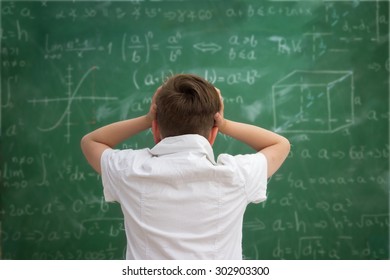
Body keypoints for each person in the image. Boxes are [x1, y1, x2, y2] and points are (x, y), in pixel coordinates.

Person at [81, 74, 290, 259]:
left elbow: (91, 142)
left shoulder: (130, 170)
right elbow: (280, 144)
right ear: (213, 133)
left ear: (155, 128)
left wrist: (147, 119)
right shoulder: (235, 176)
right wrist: (224, 123)